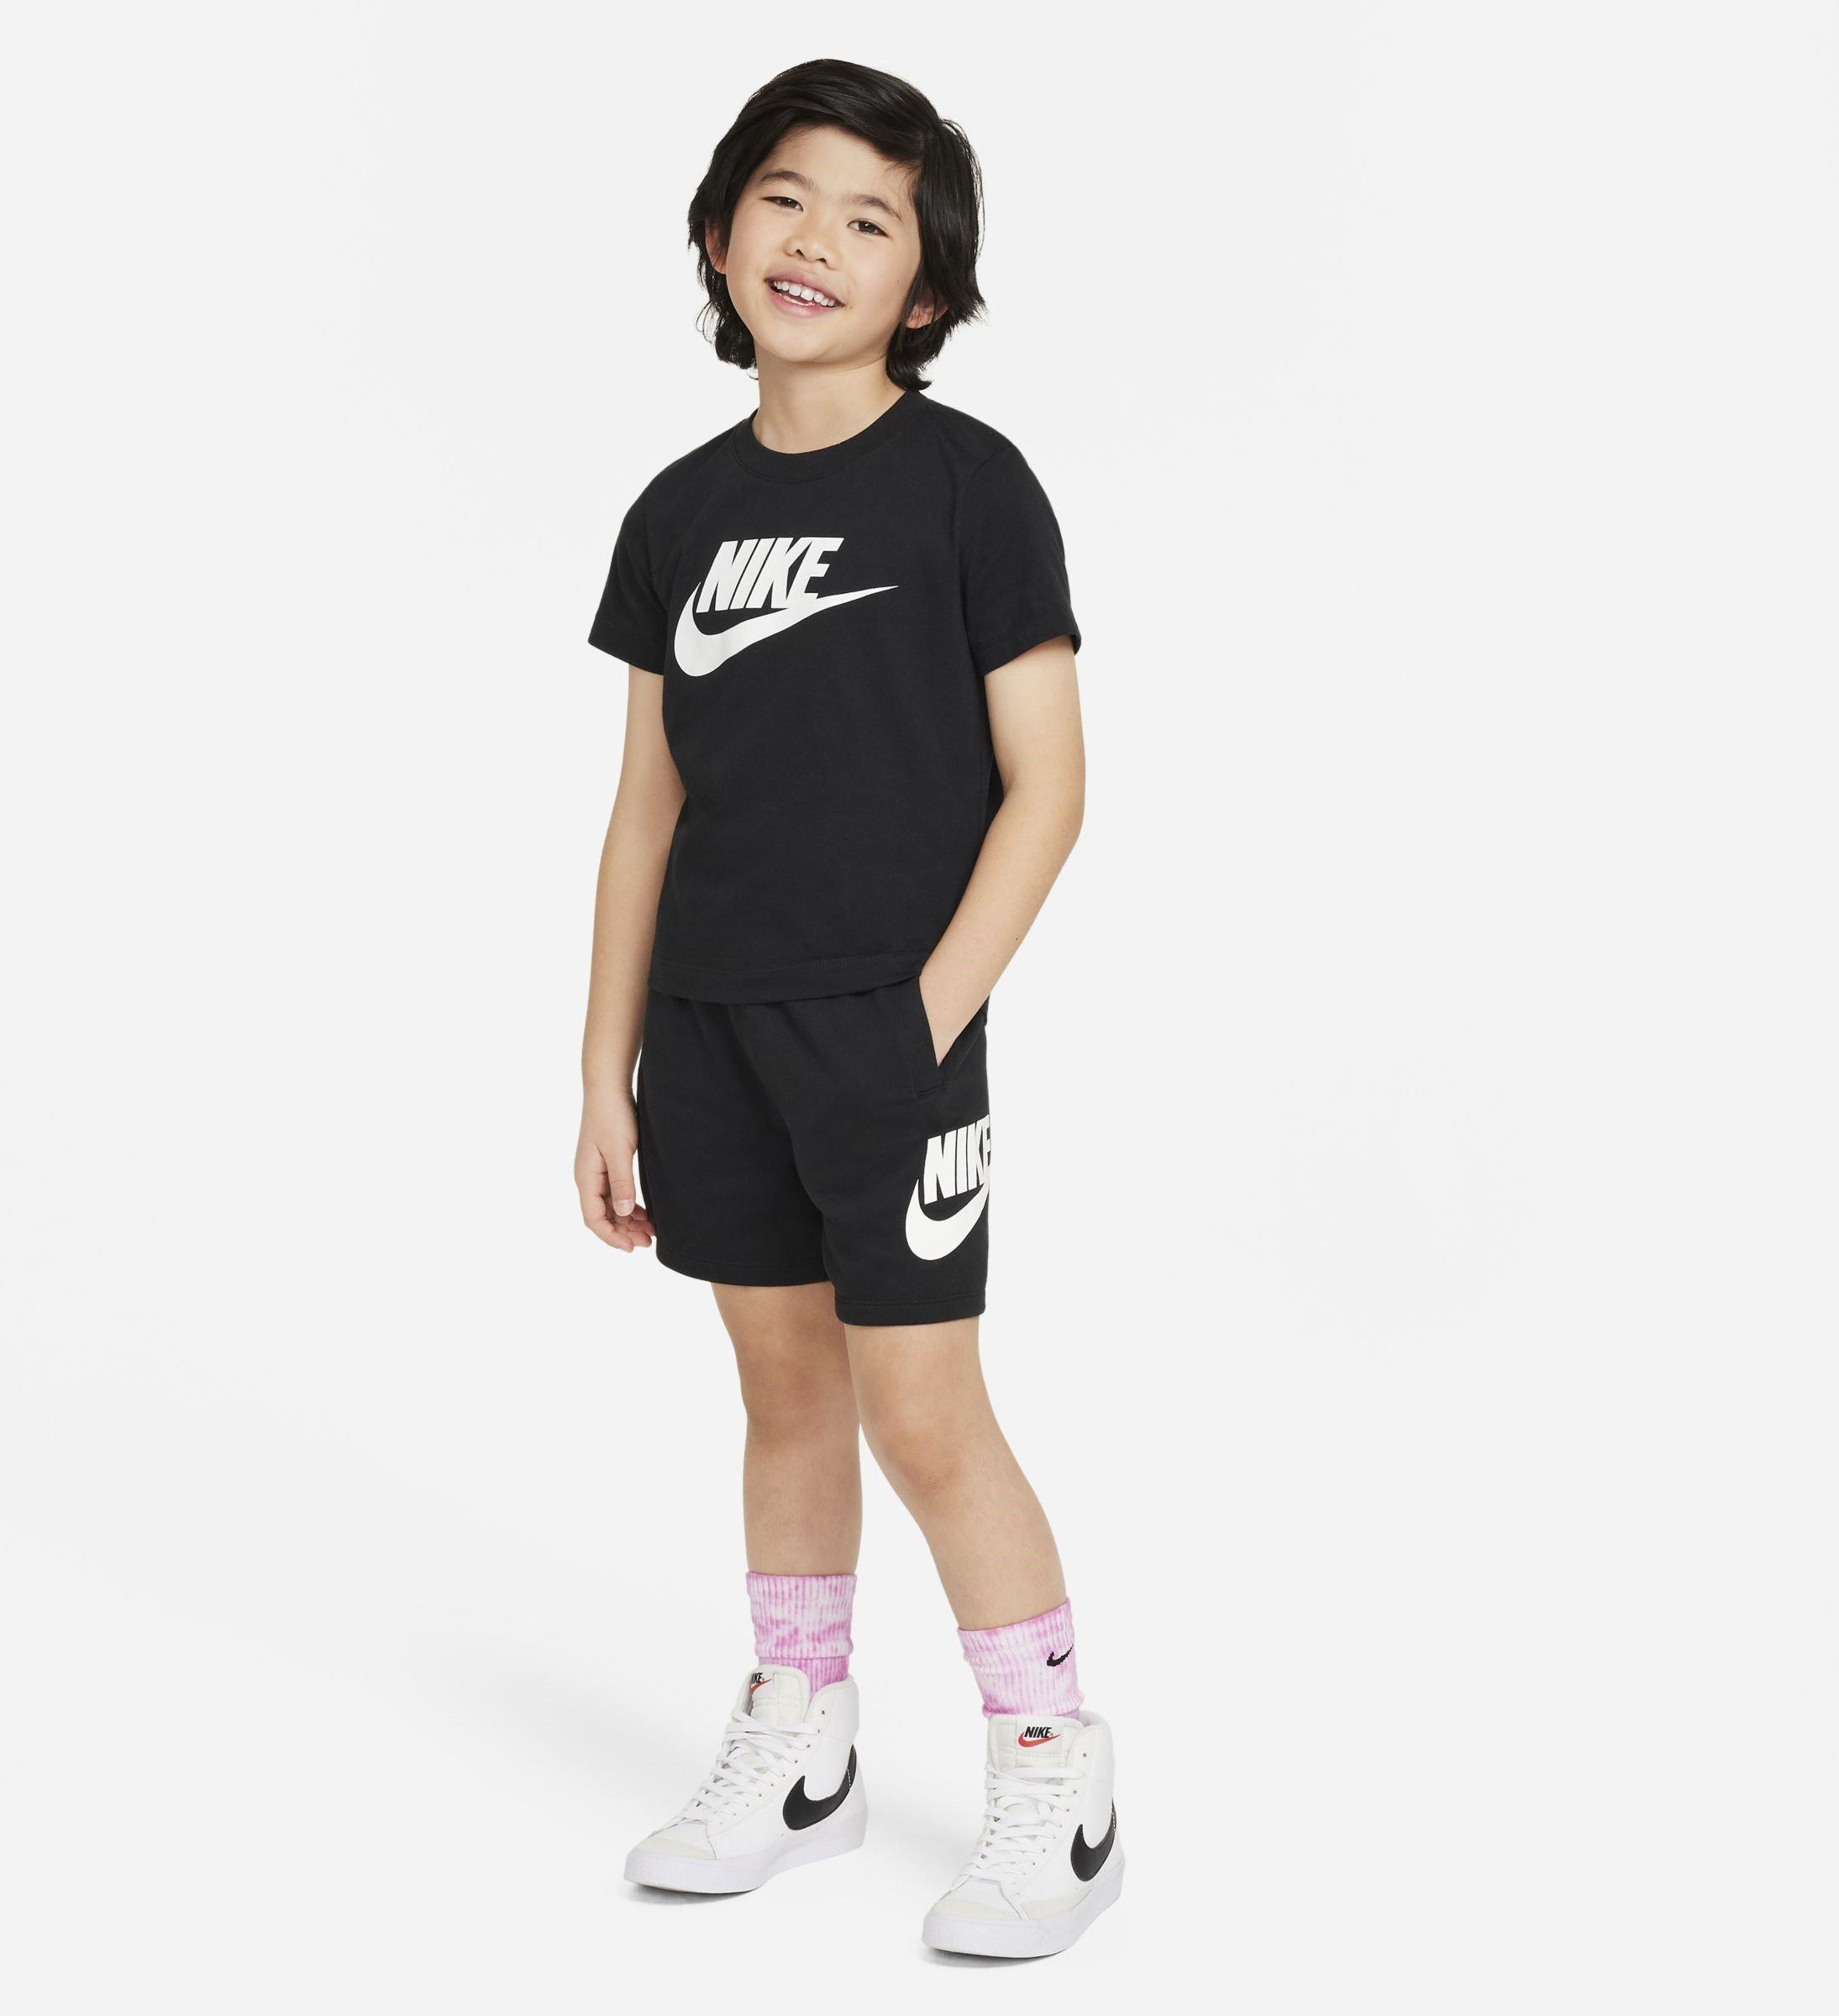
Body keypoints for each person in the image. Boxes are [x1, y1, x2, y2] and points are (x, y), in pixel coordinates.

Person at [575, 57, 1118, 1958]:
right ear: (722, 232)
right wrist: (606, 1076)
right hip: (710, 1032)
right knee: (785, 1389)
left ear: (927, 289)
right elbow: (647, 812)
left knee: (924, 1408)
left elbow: (1050, 788)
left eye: (869, 218)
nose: (815, 239)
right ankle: (803, 1744)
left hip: (893, 1035)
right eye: (785, 197)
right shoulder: (677, 511)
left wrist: (925, 1024)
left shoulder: (971, 486)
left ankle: (1054, 1764)